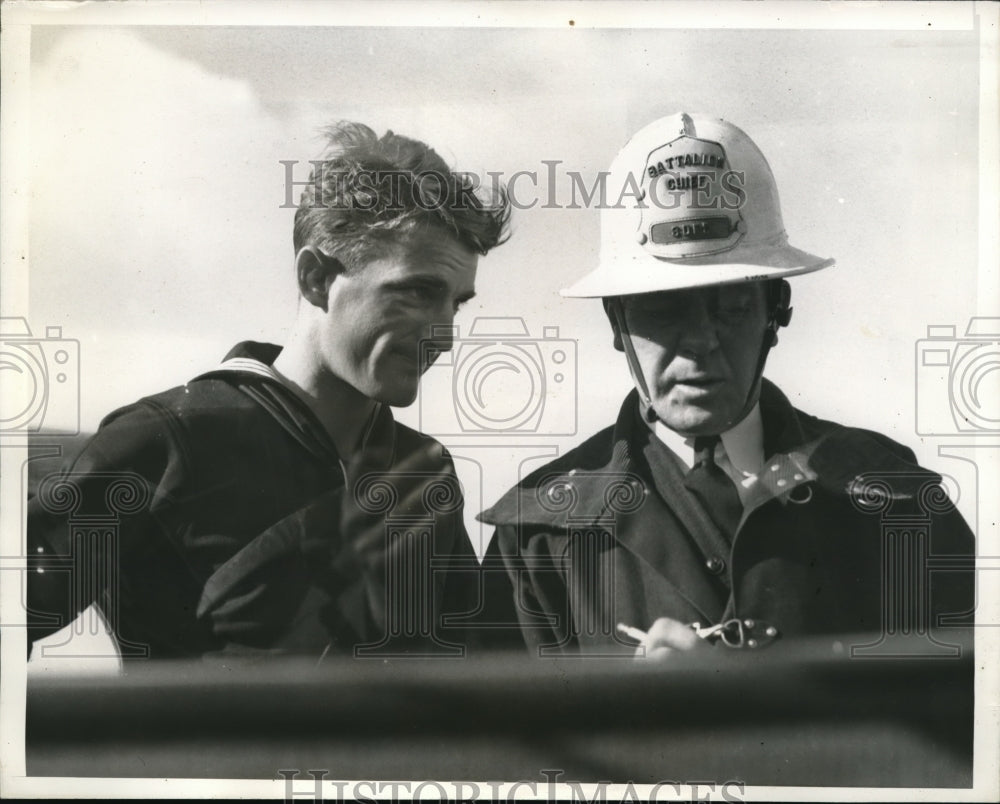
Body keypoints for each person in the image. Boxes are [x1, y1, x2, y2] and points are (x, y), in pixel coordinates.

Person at [479, 113, 974, 658]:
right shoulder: (537, 538)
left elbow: (967, 719)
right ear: (616, 325)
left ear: (775, 312)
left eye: (731, 305)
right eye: (663, 309)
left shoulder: (892, 501)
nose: (700, 343)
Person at [27, 121, 510, 660]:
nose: (445, 335)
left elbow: (477, 678)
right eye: (418, 292)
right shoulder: (166, 441)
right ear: (316, 279)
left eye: (456, 303)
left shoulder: (425, 471)